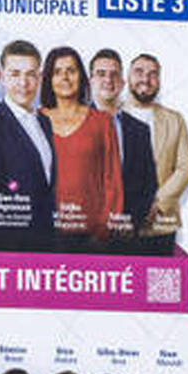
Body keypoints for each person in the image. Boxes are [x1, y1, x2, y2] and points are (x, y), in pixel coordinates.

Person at [0, 40, 55, 249]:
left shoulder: (44, 122)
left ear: (40, 77)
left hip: (46, 245)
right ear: (2, 76)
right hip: (11, 251)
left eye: (30, 74)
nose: (23, 83)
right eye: (15, 74)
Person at [41, 46, 126, 249]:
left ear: (82, 77)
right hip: (43, 232)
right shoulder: (35, 119)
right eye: (57, 72)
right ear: (48, 79)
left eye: (71, 70)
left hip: (91, 235)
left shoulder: (102, 122)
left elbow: (112, 180)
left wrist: (104, 231)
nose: (65, 78)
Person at [125, 53, 188, 252]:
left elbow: (185, 168)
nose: (145, 79)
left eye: (152, 74)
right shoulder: (111, 116)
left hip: (161, 226)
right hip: (118, 225)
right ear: (128, 77)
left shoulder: (175, 120)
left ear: (159, 80)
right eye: (139, 72)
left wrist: (157, 203)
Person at [90, 48, 158, 251]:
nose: (108, 80)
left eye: (114, 74)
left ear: (122, 82)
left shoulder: (140, 130)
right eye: (101, 74)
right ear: (90, 80)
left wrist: (131, 221)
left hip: (128, 238)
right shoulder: (73, 123)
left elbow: (149, 183)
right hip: (84, 238)